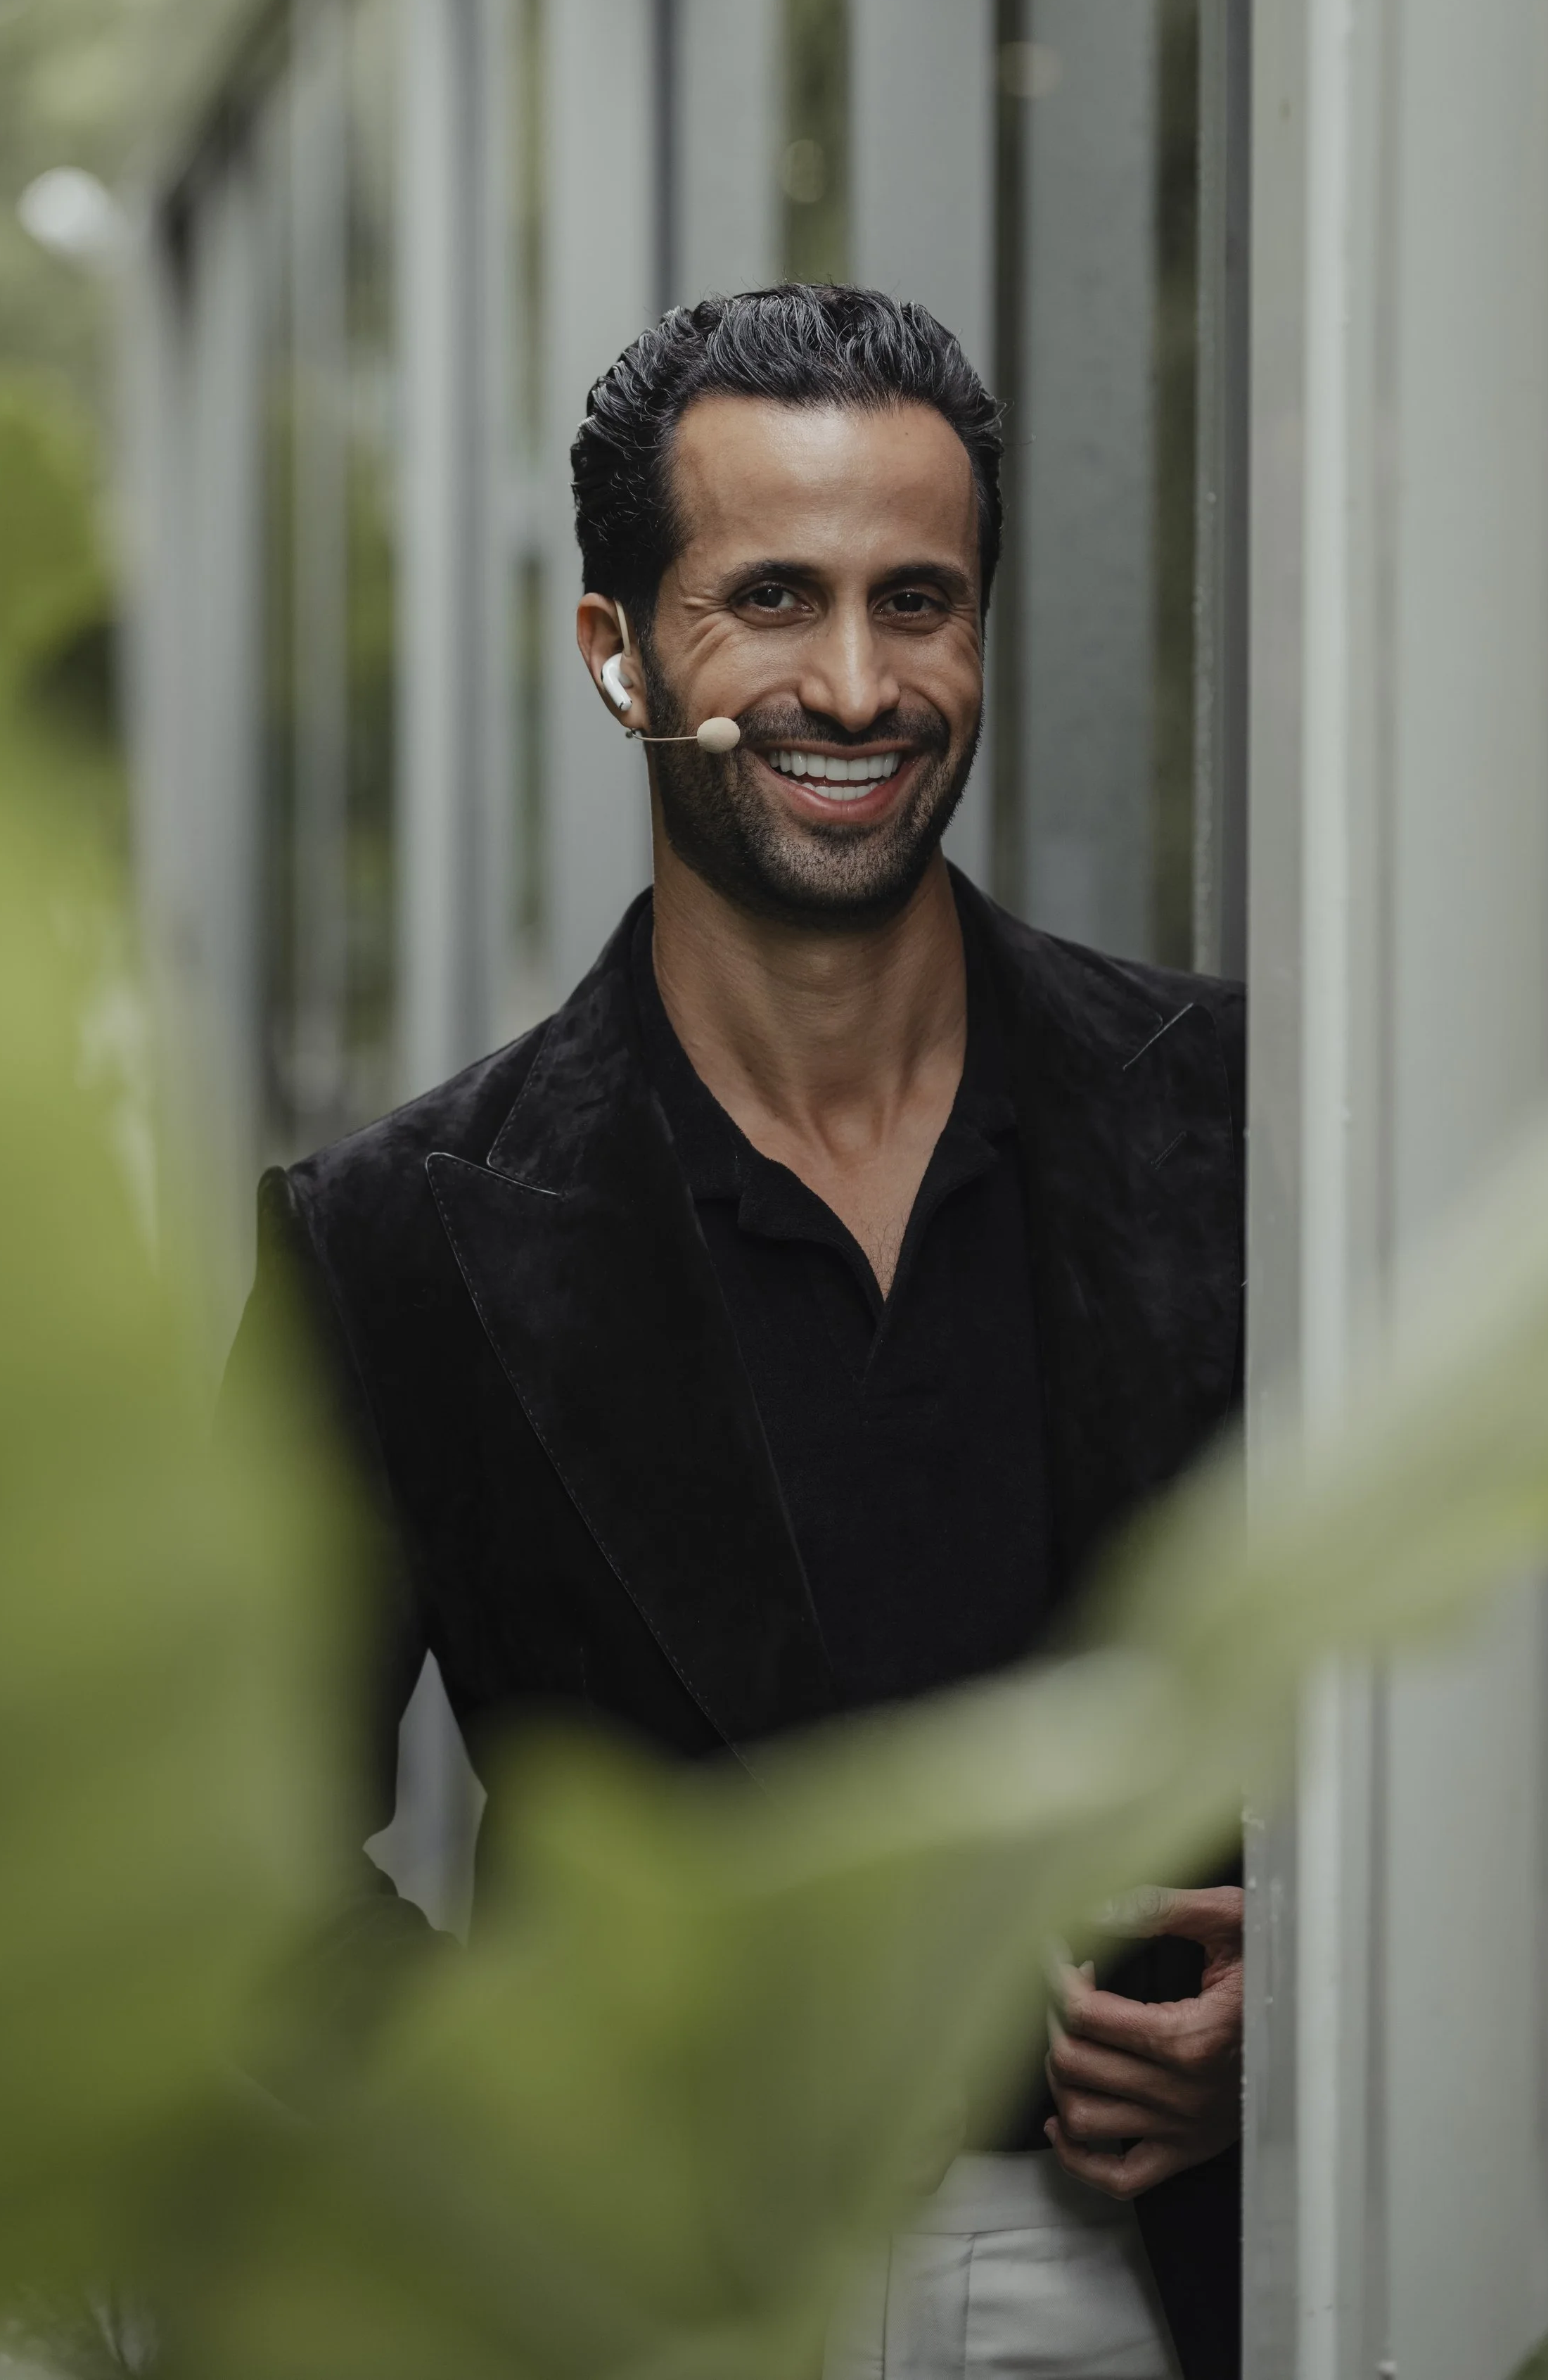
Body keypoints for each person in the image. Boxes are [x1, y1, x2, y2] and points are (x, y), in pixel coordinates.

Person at [224, 286, 1245, 2380]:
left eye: (917, 601)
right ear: (619, 655)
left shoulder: (1246, 1121)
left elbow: (1515, 1675)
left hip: (1196, 2274)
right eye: (770, 598)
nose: (856, 685)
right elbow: (230, 1852)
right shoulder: (387, 1243)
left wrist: (1318, 1995)